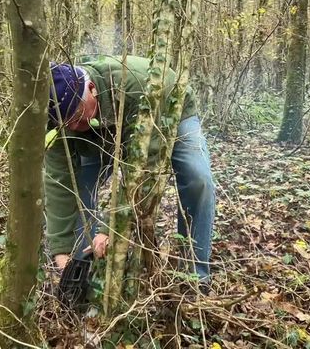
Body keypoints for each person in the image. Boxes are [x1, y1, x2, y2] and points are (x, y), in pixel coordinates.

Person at [45, 55, 216, 282]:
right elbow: (59, 182)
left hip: (167, 111)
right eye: (66, 124)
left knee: (198, 179)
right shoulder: (55, 117)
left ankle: (196, 277)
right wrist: (61, 251)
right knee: (81, 186)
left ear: (92, 89)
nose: (74, 127)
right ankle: (80, 273)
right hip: (103, 133)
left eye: (76, 116)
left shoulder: (138, 87)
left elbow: (142, 169)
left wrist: (110, 226)